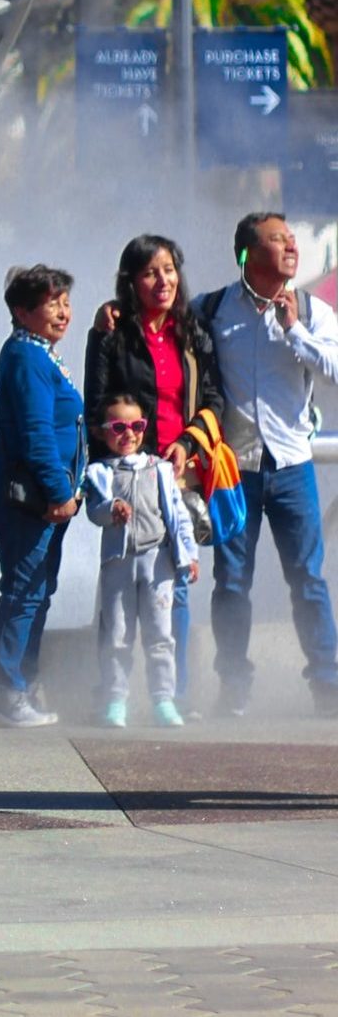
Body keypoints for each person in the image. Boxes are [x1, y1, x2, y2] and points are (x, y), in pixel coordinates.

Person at [201, 211, 338, 716]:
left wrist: (295, 331)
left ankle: (327, 685)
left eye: (291, 239)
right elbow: (162, 334)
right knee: (231, 580)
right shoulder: (212, 310)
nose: (291, 247)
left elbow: (335, 371)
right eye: (277, 240)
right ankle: (233, 686)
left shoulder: (312, 311)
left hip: (293, 467)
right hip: (233, 469)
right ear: (246, 253)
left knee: (308, 579)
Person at [84, 233, 223, 704]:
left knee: (175, 583)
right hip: (128, 476)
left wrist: (187, 444)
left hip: (176, 473)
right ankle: (114, 696)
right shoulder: (112, 332)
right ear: (131, 281)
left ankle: (171, 696)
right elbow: (95, 404)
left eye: (168, 269)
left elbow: (214, 400)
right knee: (119, 586)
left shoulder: (192, 329)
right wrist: (111, 471)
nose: (162, 280)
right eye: (149, 272)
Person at [0, 265, 84, 727]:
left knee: (37, 591)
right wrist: (61, 492)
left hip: (42, 500)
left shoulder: (40, 353)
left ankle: (22, 681)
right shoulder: (26, 358)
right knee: (24, 590)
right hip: (30, 500)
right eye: (51, 302)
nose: (62, 311)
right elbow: (37, 433)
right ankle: (5, 689)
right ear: (22, 311)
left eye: (65, 301)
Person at [83, 391, 200, 726]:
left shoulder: (159, 469)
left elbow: (176, 515)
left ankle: (164, 700)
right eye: (118, 427)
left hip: (157, 560)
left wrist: (188, 555)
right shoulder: (100, 472)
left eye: (136, 425)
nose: (128, 434)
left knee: (160, 634)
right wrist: (110, 510)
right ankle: (115, 699)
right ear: (105, 432)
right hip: (118, 562)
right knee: (117, 634)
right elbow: (94, 512)